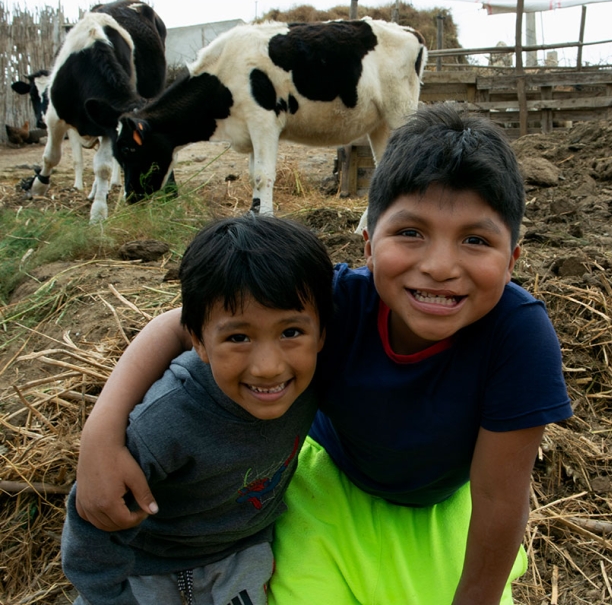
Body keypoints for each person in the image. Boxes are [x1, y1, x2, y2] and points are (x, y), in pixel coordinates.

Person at [74, 103, 573, 605]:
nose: (440, 266)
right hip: (326, 481)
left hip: (440, 504)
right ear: (368, 245)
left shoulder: (518, 336)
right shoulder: (337, 303)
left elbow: (497, 495)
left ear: (512, 260)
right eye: (410, 233)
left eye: (475, 239)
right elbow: (178, 325)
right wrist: (101, 433)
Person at [61, 215, 334, 604]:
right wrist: (109, 596)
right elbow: (93, 522)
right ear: (198, 343)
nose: (268, 366)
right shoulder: (165, 422)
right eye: (238, 338)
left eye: (291, 332)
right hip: (147, 563)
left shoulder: (320, 373)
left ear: (322, 333)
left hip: (242, 551)